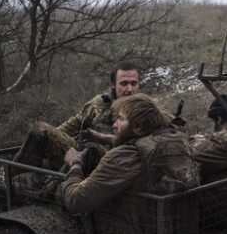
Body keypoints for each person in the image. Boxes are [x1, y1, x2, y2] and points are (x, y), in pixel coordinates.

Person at [57, 94, 199, 214]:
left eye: (121, 119)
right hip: (174, 224)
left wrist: (75, 165)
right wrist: (102, 138)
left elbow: (76, 202)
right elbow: (142, 142)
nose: (114, 125)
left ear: (138, 127)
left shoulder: (124, 156)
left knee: (65, 188)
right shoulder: (178, 139)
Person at [14, 61, 142, 173]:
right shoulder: (100, 104)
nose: (130, 89)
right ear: (114, 85)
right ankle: (13, 181)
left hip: (112, 165)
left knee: (42, 130)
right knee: (41, 131)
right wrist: (51, 140)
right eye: (124, 83)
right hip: (83, 156)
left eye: (134, 83)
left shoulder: (145, 111)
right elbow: (70, 126)